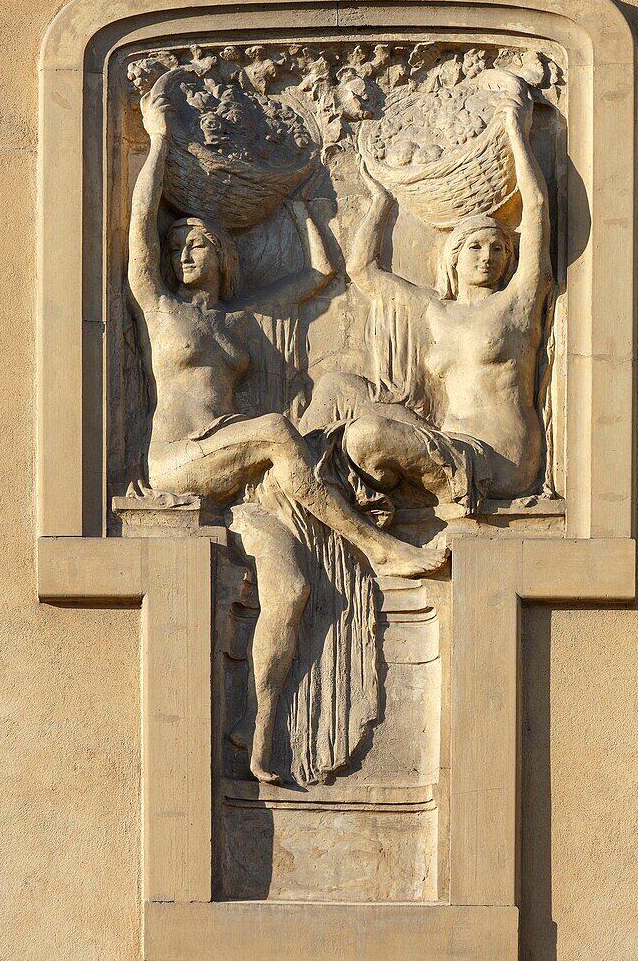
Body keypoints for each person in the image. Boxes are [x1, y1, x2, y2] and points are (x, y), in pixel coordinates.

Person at [128, 91, 448, 781]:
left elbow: (320, 276)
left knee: (292, 589)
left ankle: (261, 732)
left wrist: (302, 209)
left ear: (220, 257)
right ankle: (377, 546)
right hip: (179, 461)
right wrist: (157, 139)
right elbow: (136, 231)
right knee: (276, 428)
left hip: (234, 473)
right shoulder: (159, 310)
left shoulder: (235, 322)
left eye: (197, 245)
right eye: (177, 245)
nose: (184, 255)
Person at [302, 88, 553, 511]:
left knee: (365, 435)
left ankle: (339, 489)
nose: (487, 257)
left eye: (497, 248)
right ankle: (300, 483)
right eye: (474, 247)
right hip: (448, 440)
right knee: (337, 386)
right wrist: (380, 199)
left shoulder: (517, 303)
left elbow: (538, 206)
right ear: (453, 259)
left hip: (498, 459)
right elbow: (365, 271)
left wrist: (516, 131)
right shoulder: (437, 310)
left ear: (510, 258)